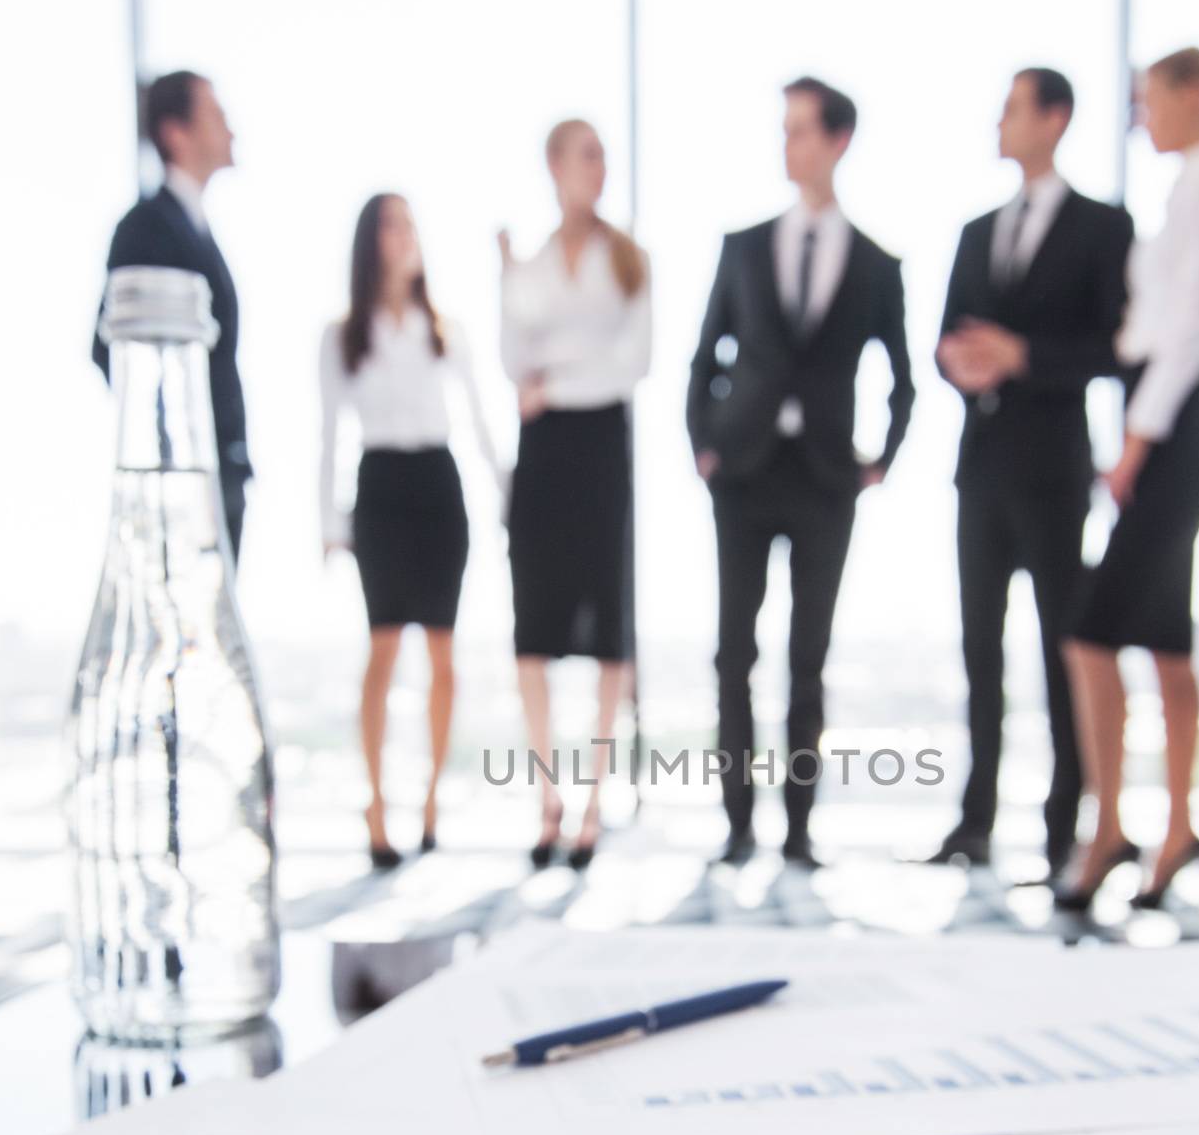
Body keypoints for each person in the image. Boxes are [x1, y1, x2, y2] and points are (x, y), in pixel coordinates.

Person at [687, 76, 915, 870]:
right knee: (732, 654)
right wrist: (704, 444)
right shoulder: (743, 246)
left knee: (807, 660)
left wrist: (880, 459)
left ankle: (799, 830)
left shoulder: (877, 264)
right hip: (743, 473)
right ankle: (737, 826)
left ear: (837, 140)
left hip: (825, 480)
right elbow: (705, 356)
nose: (788, 146)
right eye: (782, 131)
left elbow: (902, 376)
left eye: (800, 131)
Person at [1056, 47, 1199, 913]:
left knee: (1090, 634)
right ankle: (1175, 830)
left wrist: (1135, 444)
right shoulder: (1194, 183)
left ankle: (1109, 829)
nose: (1142, 116)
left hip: (1172, 434)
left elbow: (1187, 331)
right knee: (1168, 649)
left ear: (1195, 95)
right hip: (1165, 429)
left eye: (1149, 101)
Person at [929, 69, 1133, 879]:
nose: (999, 122)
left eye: (1013, 108)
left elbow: (1115, 349)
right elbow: (945, 338)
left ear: (1055, 119)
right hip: (979, 470)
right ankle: (973, 824)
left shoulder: (1101, 228)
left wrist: (1021, 356)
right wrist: (962, 362)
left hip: (1054, 471)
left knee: (1061, 650)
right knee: (981, 650)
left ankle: (1062, 828)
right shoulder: (978, 233)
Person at [320, 194, 500, 869]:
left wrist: (510, 498)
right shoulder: (344, 334)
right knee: (384, 650)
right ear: (372, 241)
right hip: (380, 490)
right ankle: (376, 803)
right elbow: (327, 433)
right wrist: (329, 523)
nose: (404, 237)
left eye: (410, 225)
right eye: (391, 225)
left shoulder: (443, 328)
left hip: (438, 486)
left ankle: (428, 799)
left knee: (445, 656)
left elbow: (480, 420)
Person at [499, 119, 652, 871]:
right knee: (534, 623)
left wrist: (555, 381)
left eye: (603, 154)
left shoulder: (628, 260)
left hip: (599, 447)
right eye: (586, 153)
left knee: (604, 625)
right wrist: (550, 373)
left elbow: (630, 365)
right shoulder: (525, 266)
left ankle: (592, 803)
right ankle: (547, 798)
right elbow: (510, 360)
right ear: (554, 165)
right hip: (543, 454)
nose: (599, 166)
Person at [93, 71, 252, 563]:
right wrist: (171, 447)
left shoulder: (195, 225)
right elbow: (107, 347)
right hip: (179, 484)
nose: (231, 129)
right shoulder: (147, 228)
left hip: (218, 469)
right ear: (175, 132)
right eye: (216, 116)